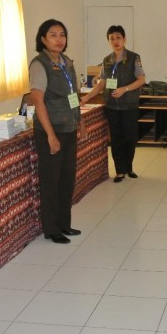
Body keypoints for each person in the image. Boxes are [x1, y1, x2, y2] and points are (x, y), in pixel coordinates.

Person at [29, 19, 86, 244]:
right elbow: (38, 101)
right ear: (43, 39)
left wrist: (80, 122)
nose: (59, 39)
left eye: (62, 34)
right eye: (53, 35)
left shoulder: (66, 62)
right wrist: (50, 134)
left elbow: (73, 96)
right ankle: (51, 229)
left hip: (69, 127)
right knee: (51, 181)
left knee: (66, 179)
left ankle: (64, 224)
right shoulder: (39, 64)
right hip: (51, 129)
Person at [81, 25, 146, 182]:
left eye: (118, 37)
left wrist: (125, 88)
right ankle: (120, 171)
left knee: (130, 138)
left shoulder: (133, 58)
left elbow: (141, 79)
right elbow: (101, 83)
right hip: (112, 106)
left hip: (129, 104)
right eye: (112, 38)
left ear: (124, 39)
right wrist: (86, 98)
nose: (115, 41)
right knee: (116, 138)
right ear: (109, 41)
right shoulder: (107, 60)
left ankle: (128, 167)